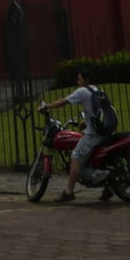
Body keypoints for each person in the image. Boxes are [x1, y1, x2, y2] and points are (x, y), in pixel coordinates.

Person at [38, 69, 109, 203]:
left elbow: (63, 102)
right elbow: (97, 111)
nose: (78, 82)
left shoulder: (82, 91)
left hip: (94, 134)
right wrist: (85, 123)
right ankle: (108, 188)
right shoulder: (97, 89)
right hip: (104, 130)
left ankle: (69, 192)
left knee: (76, 156)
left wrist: (47, 106)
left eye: (80, 79)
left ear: (86, 80)